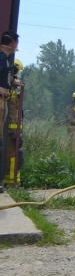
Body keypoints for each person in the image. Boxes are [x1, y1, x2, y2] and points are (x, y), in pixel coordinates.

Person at [0, 31, 19, 192]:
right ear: (11, 43)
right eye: (16, 42)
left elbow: (6, 77)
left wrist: (14, 81)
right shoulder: (1, 57)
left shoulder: (6, 60)